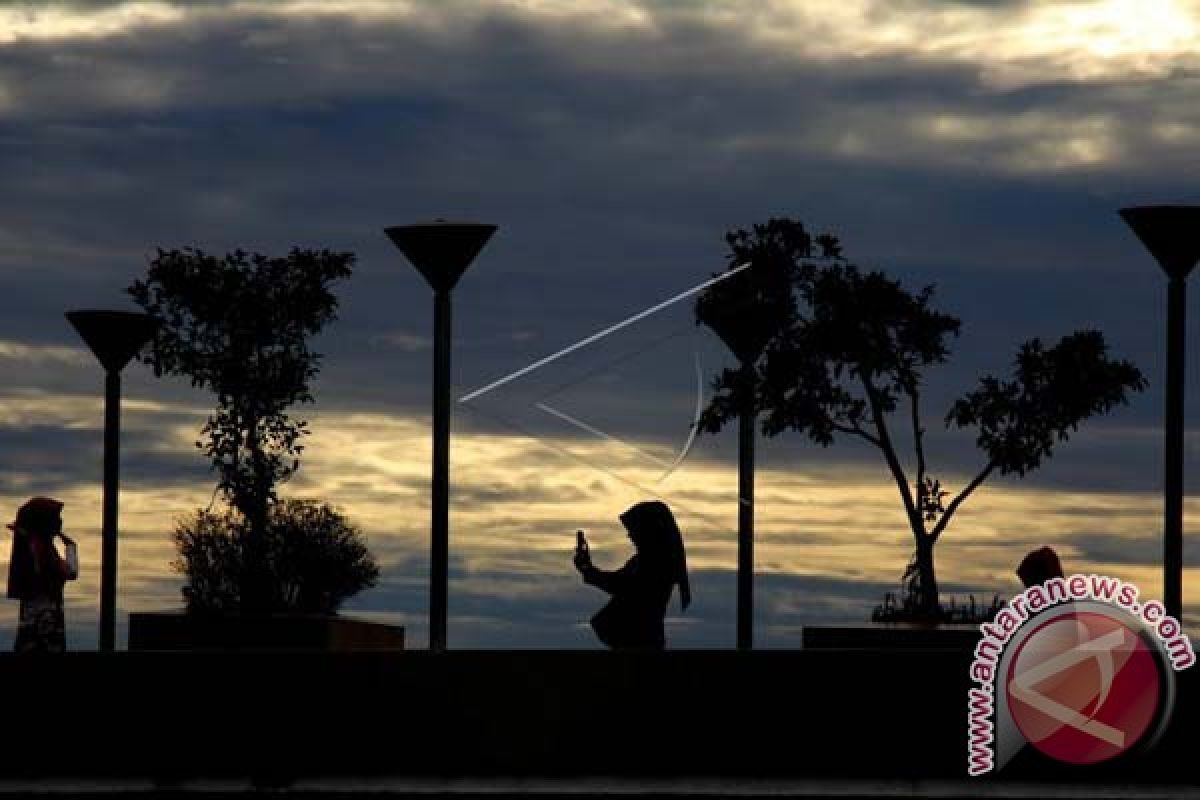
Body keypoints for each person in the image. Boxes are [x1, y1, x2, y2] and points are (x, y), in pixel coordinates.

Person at [573, 500, 690, 650]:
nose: (630, 535)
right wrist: (587, 568)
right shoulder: (645, 561)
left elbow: (622, 585)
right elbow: (619, 582)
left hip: (639, 642)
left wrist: (588, 570)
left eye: (634, 530)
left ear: (649, 531)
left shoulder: (656, 563)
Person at [6, 497, 78, 652]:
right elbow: (70, 572)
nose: (60, 521)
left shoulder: (29, 545)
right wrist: (71, 546)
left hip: (36, 619)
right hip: (46, 620)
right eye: (56, 517)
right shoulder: (41, 548)